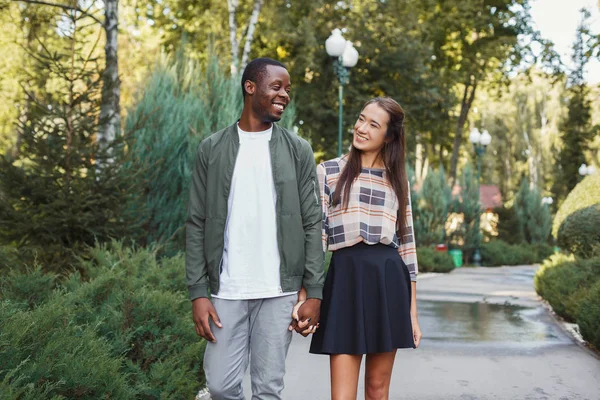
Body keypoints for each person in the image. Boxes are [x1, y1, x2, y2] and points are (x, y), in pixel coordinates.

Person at [185, 57, 324, 400]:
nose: (284, 95)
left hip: (279, 292)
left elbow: (311, 221)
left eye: (287, 89)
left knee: (268, 389)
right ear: (250, 87)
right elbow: (196, 223)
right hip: (226, 289)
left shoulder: (297, 149)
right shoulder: (212, 148)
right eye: (276, 87)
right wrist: (198, 292)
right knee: (219, 385)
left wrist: (315, 291)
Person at [308, 97, 423, 400]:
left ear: (389, 136)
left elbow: (407, 245)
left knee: (377, 390)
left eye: (374, 124)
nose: (361, 128)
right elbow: (316, 239)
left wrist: (412, 313)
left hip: (388, 281)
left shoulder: (398, 180)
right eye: (361, 119)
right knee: (342, 396)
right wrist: (308, 295)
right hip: (345, 278)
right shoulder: (328, 171)